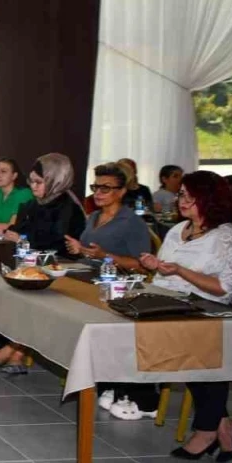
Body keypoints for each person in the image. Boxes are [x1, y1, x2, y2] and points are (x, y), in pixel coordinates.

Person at [136, 171, 232, 461]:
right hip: (169, 303)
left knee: (196, 352)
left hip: (209, 309)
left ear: (210, 200)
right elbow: (165, 271)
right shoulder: (177, 229)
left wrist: (181, 271)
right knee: (162, 343)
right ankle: (224, 425)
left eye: (191, 197)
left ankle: (207, 430)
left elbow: (224, 288)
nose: (183, 201)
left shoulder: (226, 236)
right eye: (181, 194)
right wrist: (154, 265)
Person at [0, 153, 86, 374]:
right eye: (31, 182)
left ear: (55, 180)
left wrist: (23, 239)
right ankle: (16, 354)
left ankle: (10, 351)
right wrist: (12, 234)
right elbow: (19, 228)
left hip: (63, 272)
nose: (33, 187)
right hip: (36, 266)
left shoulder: (68, 207)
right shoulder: (36, 203)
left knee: (28, 301)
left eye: (38, 182)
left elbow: (57, 242)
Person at [65, 164, 157, 418]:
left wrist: (105, 255)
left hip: (120, 287)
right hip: (92, 281)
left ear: (122, 191)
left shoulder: (132, 222)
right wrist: (80, 249)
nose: (98, 192)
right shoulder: (94, 216)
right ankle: (105, 380)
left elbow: (142, 265)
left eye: (106, 188)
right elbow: (91, 251)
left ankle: (132, 391)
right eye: (96, 186)